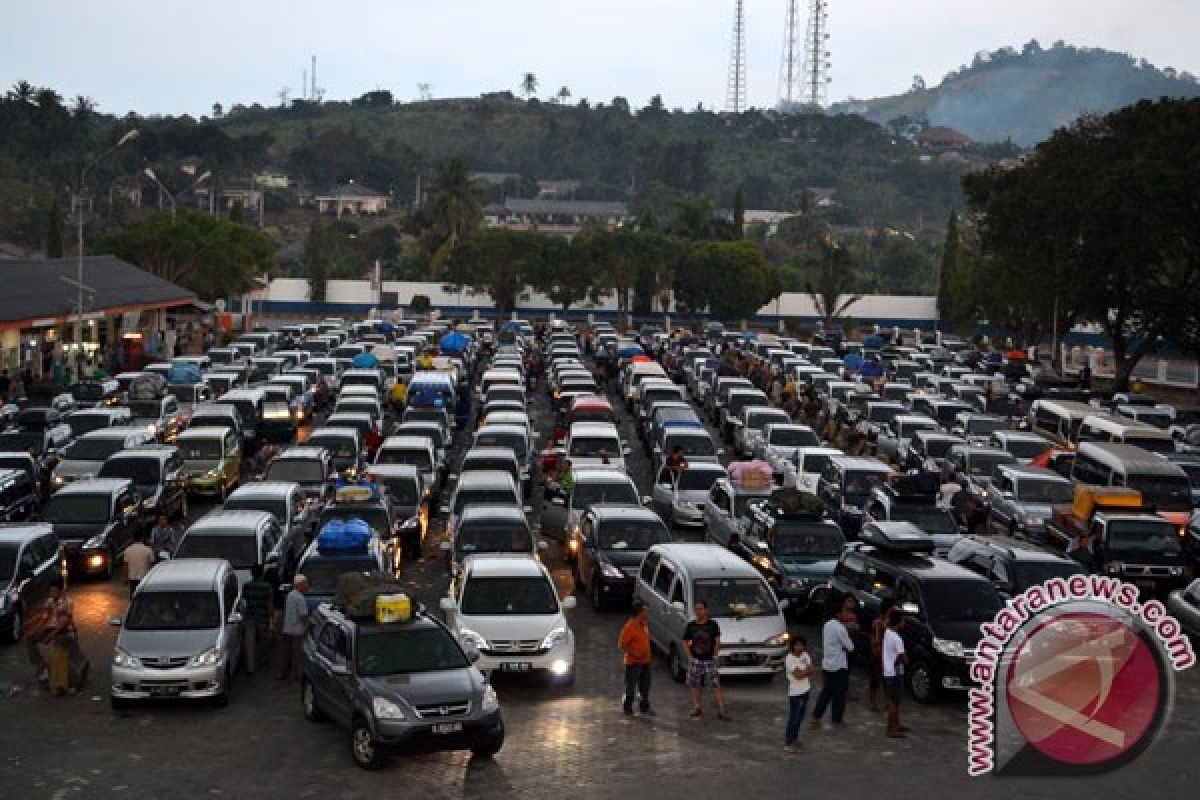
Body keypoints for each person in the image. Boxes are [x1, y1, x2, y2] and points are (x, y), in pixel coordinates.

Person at [26, 585, 88, 695]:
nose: (52, 594)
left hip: (63, 632)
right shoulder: (49, 601)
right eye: (50, 592)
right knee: (30, 638)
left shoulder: (66, 603)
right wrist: (35, 630)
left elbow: (62, 624)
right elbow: (44, 618)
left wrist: (50, 636)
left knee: (65, 655)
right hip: (50, 630)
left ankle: (74, 680)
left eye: (54, 591)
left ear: (60, 591)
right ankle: (41, 664)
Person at [810, 602, 855, 727]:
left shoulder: (827, 625)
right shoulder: (840, 628)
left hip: (828, 663)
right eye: (844, 611)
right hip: (839, 665)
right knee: (839, 694)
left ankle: (816, 715)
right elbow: (851, 647)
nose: (846, 613)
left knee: (827, 691)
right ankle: (836, 718)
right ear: (838, 613)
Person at [684, 600, 729, 720]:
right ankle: (697, 707)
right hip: (695, 660)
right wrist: (689, 655)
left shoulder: (713, 625)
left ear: (706, 610)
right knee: (694, 684)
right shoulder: (691, 626)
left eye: (700, 609)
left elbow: (717, 641)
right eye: (696, 609)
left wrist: (715, 655)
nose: (698, 611)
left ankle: (721, 711)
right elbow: (686, 640)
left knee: (716, 685)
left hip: (709, 660)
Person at [618, 601, 654, 716]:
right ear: (640, 612)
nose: (647, 612)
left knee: (645, 686)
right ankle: (628, 707)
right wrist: (635, 653)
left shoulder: (644, 624)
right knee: (631, 686)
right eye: (645, 611)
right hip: (634, 663)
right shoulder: (630, 626)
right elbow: (622, 644)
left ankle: (644, 707)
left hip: (646, 661)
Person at [242, 566, 275, 676]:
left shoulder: (246, 586)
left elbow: (244, 601)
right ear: (261, 574)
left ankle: (250, 667)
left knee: (249, 642)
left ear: (252, 573)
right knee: (263, 640)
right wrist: (271, 619)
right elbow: (269, 604)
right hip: (262, 617)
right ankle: (262, 660)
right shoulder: (267, 587)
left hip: (250, 616)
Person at [784, 635, 814, 751]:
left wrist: (804, 672)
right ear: (792, 646)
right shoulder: (789, 658)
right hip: (795, 694)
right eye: (797, 645)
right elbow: (798, 675)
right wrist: (805, 671)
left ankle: (795, 739)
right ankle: (788, 742)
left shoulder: (805, 655)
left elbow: (810, 670)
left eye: (801, 645)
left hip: (805, 691)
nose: (799, 647)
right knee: (794, 718)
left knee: (800, 718)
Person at [277, 575, 310, 681]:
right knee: (296, 655)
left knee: (286, 653)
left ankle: (283, 673)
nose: (307, 586)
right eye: (305, 584)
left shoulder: (290, 595)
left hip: (287, 629)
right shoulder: (300, 598)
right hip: (297, 631)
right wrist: (308, 626)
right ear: (299, 585)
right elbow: (303, 616)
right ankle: (293, 675)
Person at [882, 609, 908, 738]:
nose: (904, 623)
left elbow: (886, 623)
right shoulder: (897, 638)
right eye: (903, 620)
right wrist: (905, 661)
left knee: (894, 701)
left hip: (888, 671)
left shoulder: (887, 632)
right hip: (895, 673)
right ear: (899, 622)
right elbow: (900, 656)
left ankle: (896, 725)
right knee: (894, 702)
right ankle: (891, 728)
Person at [868, 598, 896, 712]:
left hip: (887, 654)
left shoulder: (889, 621)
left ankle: (887, 702)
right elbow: (876, 640)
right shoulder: (878, 622)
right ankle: (873, 701)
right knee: (876, 679)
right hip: (878, 653)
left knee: (886, 680)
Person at [124, 531, 155, 596]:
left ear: (133, 539)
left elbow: (126, 566)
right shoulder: (148, 550)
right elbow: (152, 565)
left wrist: (126, 578)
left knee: (133, 596)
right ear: (142, 538)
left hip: (132, 578)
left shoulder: (127, 550)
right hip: (145, 578)